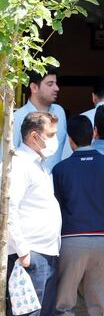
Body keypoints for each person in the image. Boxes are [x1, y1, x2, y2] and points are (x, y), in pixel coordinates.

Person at [52, 115, 104, 316]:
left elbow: (55, 209)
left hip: (70, 240)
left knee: (64, 306)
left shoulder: (59, 169)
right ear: (94, 133)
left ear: (70, 139)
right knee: (100, 307)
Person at [6, 112, 62, 316]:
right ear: (33, 136)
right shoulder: (20, 163)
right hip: (30, 255)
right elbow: (9, 208)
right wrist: (23, 251)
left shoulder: (39, 165)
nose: (55, 140)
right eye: (51, 134)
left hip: (46, 253)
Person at [13, 68, 68, 170]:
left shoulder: (59, 112)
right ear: (34, 87)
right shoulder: (18, 117)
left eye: (56, 83)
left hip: (58, 180)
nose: (56, 88)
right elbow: (7, 157)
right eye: (50, 84)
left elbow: (66, 148)